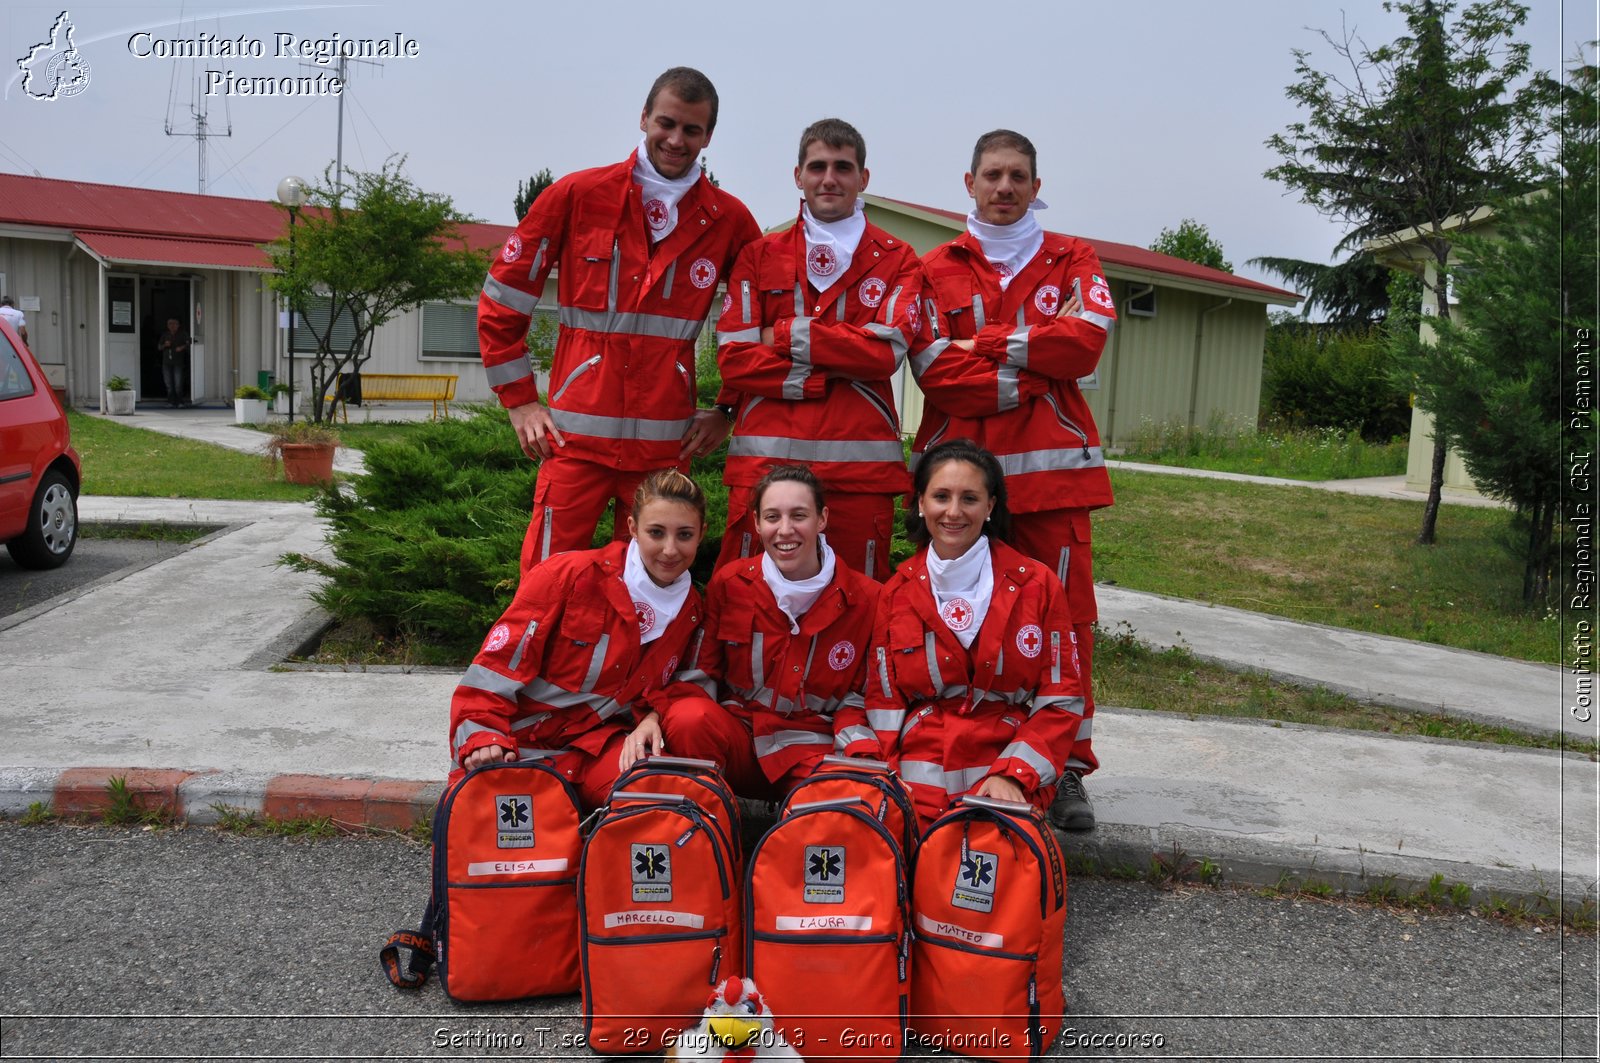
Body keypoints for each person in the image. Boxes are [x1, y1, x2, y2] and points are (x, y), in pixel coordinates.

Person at [907, 130, 1114, 830]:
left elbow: (1085, 341)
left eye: (1017, 176)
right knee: (955, 621)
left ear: (1035, 183)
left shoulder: (1073, 257)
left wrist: (990, 343)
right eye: (991, 175)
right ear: (968, 183)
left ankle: (1068, 766)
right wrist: (1035, 366)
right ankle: (967, 751)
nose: (1004, 187)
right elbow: (936, 370)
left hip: (1056, 484)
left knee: (1067, 628)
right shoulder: (933, 267)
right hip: (959, 484)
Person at [477, 66, 760, 575]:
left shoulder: (729, 219)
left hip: (665, 448)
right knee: (548, 578)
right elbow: (502, 298)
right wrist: (519, 402)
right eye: (666, 123)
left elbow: (759, 322)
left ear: (708, 136)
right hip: (573, 442)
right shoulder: (578, 195)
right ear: (644, 118)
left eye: (691, 130)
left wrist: (727, 408)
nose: (676, 140)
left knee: (654, 580)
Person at [713, 118, 921, 581]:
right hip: (763, 471)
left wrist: (783, 333)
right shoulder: (757, 255)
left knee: (860, 603)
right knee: (746, 600)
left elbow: (884, 356)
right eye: (818, 166)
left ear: (863, 178)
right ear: (798, 176)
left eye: (843, 167)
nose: (830, 178)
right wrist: (825, 371)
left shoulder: (898, 259)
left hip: (859, 478)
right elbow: (733, 360)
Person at [851, 439, 1086, 831]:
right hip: (918, 773)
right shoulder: (895, 593)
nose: (954, 512)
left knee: (984, 873)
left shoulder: (1037, 585)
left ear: (991, 506)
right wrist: (887, 781)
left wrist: (1014, 774)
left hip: (1007, 771)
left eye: (970, 498)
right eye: (941, 496)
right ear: (921, 503)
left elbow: (1061, 700)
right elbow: (884, 700)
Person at [448, 468, 708, 809]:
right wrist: (483, 737)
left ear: (702, 534)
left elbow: (684, 686)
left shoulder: (692, 610)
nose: (670, 550)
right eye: (656, 533)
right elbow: (490, 675)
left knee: (657, 802)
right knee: (505, 846)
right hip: (518, 744)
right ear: (632, 529)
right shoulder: (568, 577)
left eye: (684, 535)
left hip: (598, 748)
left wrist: (652, 717)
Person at [661, 464, 880, 799]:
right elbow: (702, 673)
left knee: (841, 808)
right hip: (742, 739)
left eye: (799, 515)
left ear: (822, 519)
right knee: (688, 717)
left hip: (816, 749)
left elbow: (865, 697)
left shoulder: (868, 599)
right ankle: (709, 828)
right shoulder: (730, 583)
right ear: (757, 523)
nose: (785, 530)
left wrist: (857, 755)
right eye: (773, 517)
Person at [155, 317, 190, 407]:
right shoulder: (165, 335)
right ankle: (170, 401)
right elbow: (159, 347)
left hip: (178, 362)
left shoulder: (183, 334)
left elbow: (189, 343)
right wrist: (164, 345)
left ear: (178, 325)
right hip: (166, 362)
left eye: (174, 324)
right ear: (167, 325)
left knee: (178, 383)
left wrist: (181, 348)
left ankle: (180, 402)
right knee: (169, 383)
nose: (172, 326)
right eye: (170, 324)